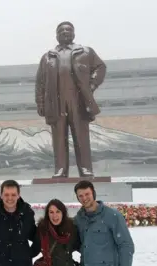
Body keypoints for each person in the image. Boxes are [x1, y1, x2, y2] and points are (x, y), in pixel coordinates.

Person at [35, 21, 106, 177]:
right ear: (56, 35)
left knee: (81, 136)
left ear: (74, 33)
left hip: (78, 100)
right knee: (59, 138)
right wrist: (41, 104)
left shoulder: (85, 52)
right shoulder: (48, 57)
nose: (65, 32)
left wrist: (92, 85)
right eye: (61, 30)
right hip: (56, 102)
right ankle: (61, 169)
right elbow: (40, 83)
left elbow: (101, 68)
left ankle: (85, 169)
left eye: (68, 30)